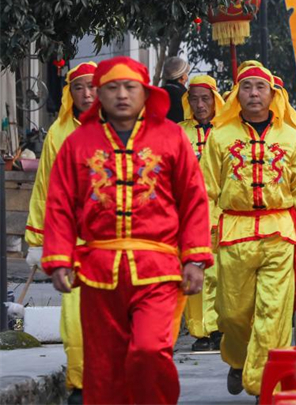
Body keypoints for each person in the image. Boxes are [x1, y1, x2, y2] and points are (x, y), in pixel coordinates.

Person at [42, 57, 212, 405]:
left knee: (150, 350)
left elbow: (193, 199)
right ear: (99, 94)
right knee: (103, 364)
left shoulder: (171, 137)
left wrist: (195, 258)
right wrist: (59, 258)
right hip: (98, 271)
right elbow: (59, 202)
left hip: (158, 270)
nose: (121, 95)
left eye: (130, 87)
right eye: (112, 88)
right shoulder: (78, 142)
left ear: (145, 92)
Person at [200, 61, 296, 397]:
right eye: (247, 87)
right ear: (238, 94)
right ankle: (238, 361)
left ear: (272, 95)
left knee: (274, 312)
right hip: (233, 231)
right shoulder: (220, 137)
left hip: (279, 231)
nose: (254, 94)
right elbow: (206, 190)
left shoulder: (291, 137)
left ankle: (263, 385)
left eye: (260, 88)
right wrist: (204, 232)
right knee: (232, 313)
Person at [26, 61, 96, 405]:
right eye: (79, 87)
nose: (87, 94)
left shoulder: (125, 128)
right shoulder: (57, 133)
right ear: (69, 92)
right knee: (74, 320)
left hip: (118, 242)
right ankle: (80, 384)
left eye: (93, 86)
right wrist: (39, 240)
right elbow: (46, 189)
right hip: (75, 241)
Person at [178, 75, 225, 352]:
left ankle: (222, 327)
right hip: (189, 214)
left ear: (215, 100)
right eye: (193, 98)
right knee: (195, 271)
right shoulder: (178, 132)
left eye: (205, 98)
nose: (199, 104)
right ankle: (201, 331)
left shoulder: (227, 131)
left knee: (222, 273)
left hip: (223, 213)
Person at [161, 56, 191, 123]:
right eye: (186, 73)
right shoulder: (185, 96)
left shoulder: (157, 94)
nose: (187, 77)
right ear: (182, 77)